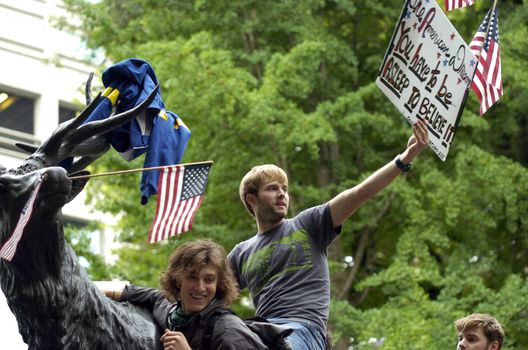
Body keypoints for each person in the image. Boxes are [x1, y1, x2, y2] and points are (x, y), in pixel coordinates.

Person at [228, 119, 429, 350]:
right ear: (252, 200)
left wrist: (405, 158)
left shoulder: (308, 225)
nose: (282, 194)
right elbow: (206, 293)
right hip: (260, 333)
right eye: (273, 188)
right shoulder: (241, 253)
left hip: (302, 331)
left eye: (285, 189)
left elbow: (359, 193)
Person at [102, 239, 291, 350]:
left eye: (209, 280)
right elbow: (141, 294)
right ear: (178, 279)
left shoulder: (228, 331)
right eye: (192, 277)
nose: (200, 287)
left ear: (219, 285)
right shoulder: (169, 308)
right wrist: (94, 290)